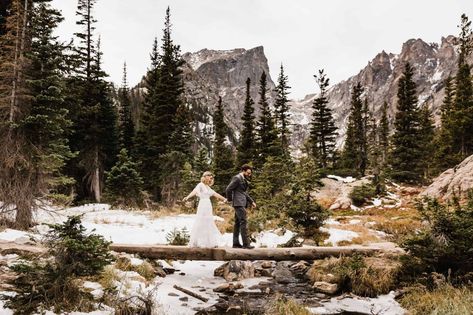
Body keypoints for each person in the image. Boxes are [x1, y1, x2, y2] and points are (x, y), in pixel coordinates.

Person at [183, 171, 227, 248]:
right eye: (210, 177)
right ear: (205, 177)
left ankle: (209, 242)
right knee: (201, 221)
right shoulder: (200, 185)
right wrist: (187, 197)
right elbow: (194, 191)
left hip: (208, 206)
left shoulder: (208, 187)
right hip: (202, 204)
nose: (211, 178)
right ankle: (200, 242)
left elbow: (215, 194)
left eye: (212, 178)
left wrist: (224, 199)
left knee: (208, 222)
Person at [226, 165, 256, 249]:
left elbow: (243, 192)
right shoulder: (237, 178)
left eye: (250, 173)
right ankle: (246, 244)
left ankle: (235, 243)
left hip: (241, 203)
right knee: (244, 222)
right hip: (238, 203)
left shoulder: (242, 178)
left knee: (237, 223)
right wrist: (230, 199)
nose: (249, 174)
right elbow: (228, 189)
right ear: (243, 170)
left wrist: (251, 201)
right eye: (248, 173)